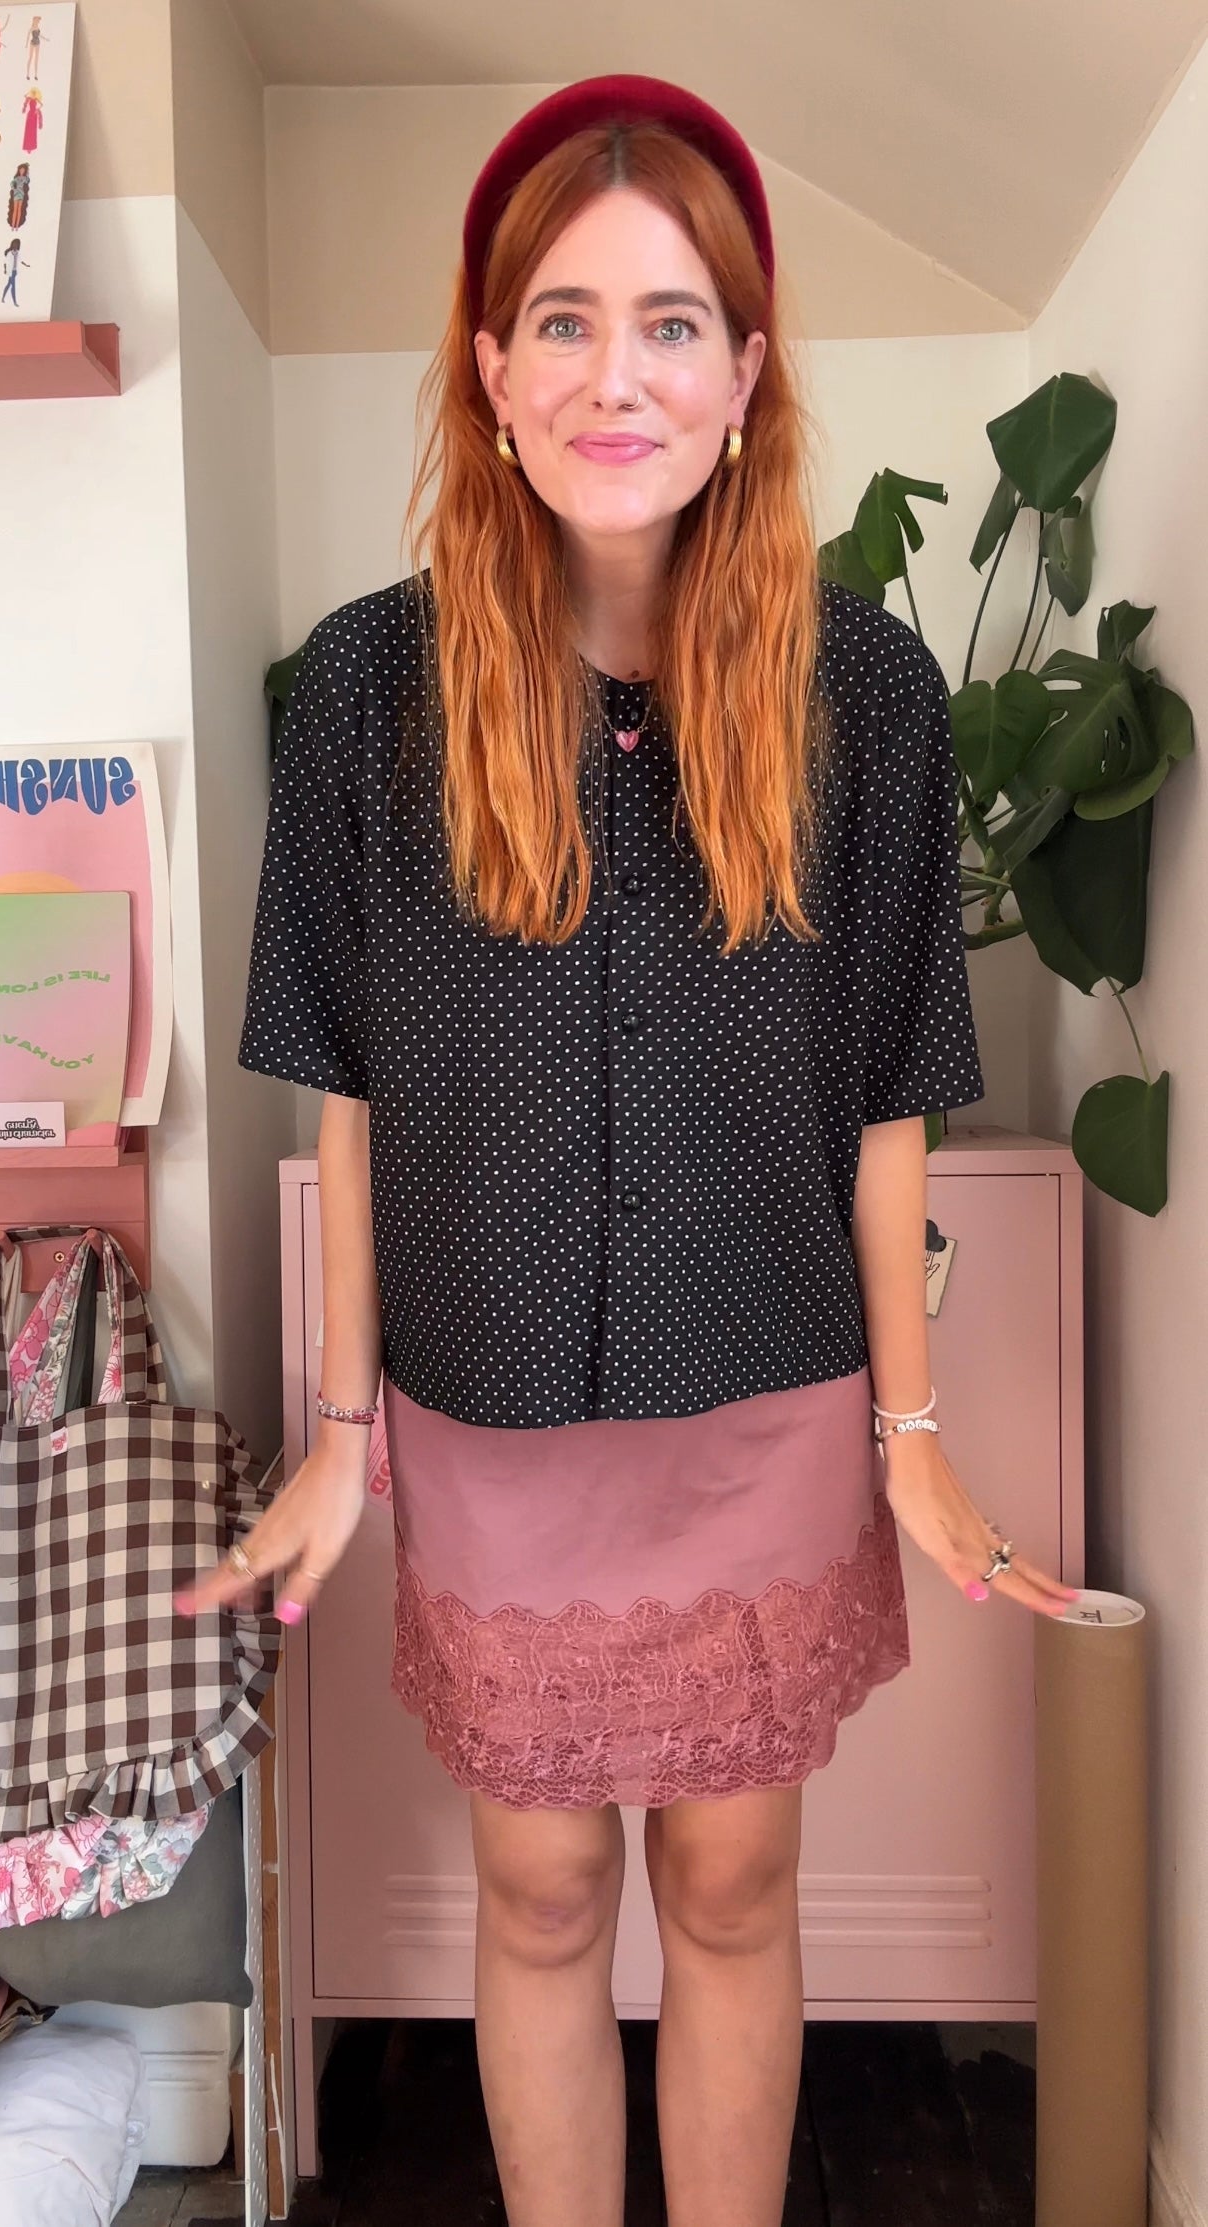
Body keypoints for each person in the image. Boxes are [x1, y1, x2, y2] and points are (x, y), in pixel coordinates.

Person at [176, 73, 1079, 2227]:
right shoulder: (367, 694)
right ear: (489, 372)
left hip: (766, 1396)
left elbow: (887, 1088)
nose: (616, 376)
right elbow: (349, 1086)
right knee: (545, 1886)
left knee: (738, 1882)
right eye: (563, 323)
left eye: (672, 324)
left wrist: (912, 1433)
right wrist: (339, 1430)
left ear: (745, 375)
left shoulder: (867, 693)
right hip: (488, 1418)